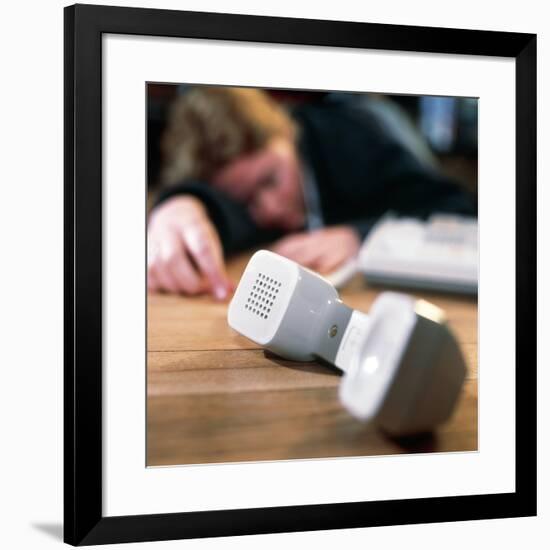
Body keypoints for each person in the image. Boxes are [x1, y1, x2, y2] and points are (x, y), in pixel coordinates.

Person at [147, 87, 476, 300]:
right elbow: (216, 212)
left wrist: (361, 236)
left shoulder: (354, 139)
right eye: (246, 201)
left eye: (270, 180)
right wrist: (180, 204)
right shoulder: (240, 181)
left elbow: (457, 210)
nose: (269, 209)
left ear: (287, 133)